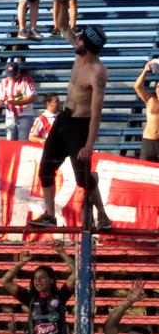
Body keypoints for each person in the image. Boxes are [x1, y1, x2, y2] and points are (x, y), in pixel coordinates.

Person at [28, 25, 112, 229]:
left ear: (89, 46)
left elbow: (96, 114)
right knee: (46, 169)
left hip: (80, 125)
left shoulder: (97, 73)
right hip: (63, 119)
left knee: (82, 178)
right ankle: (49, 214)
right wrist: (61, 1)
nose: (77, 41)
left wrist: (89, 145)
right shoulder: (79, 55)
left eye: (81, 39)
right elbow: (64, 27)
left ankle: (102, 215)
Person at [0, 62, 38, 141]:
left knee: (23, 141)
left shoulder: (27, 80)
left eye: (13, 74)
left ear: (17, 72)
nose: (11, 77)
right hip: (10, 116)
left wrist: (17, 102)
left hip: (25, 115)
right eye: (9, 75)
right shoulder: (3, 82)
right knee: (10, 141)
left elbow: (33, 97)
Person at [132, 61, 159, 162]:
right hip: (149, 140)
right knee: (145, 171)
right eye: (158, 87)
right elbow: (137, 87)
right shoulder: (151, 99)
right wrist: (145, 71)